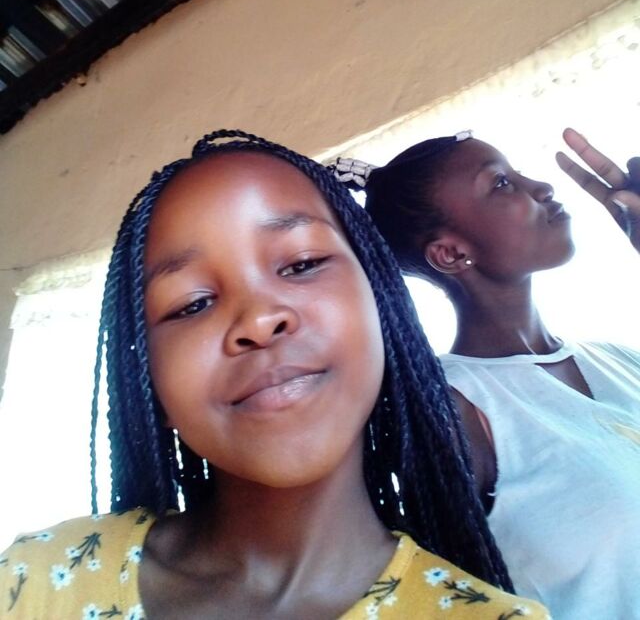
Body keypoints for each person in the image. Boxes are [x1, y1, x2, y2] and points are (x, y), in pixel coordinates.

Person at [0, 130, 549, 619]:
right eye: (192, 304)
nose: (259, 321)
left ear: (383, 307)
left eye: (302, 264)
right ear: (152, 385)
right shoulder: (34, 581)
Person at [338, 127, 640, 619]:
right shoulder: (452, 407)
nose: (541, 187)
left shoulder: (621, 359)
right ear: (451, 253)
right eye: (501, 183)